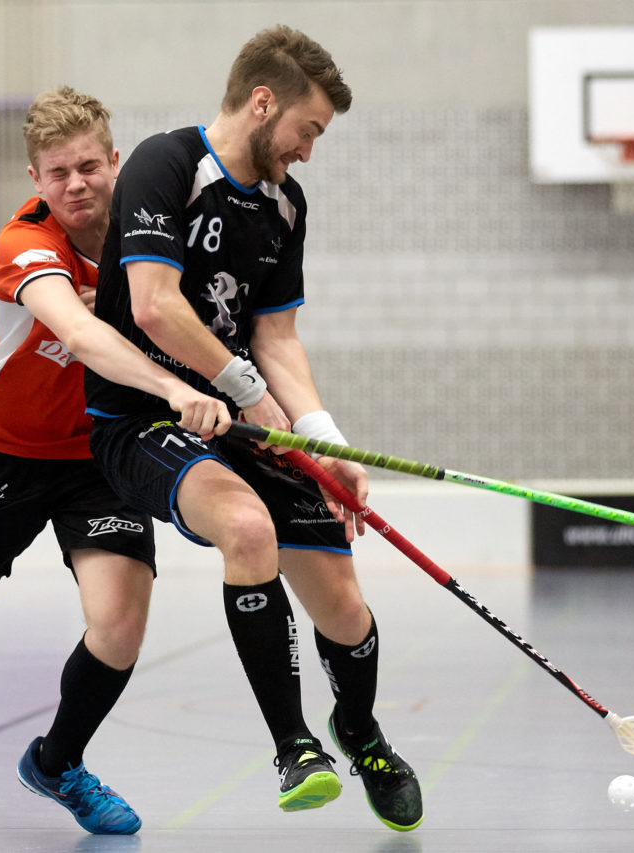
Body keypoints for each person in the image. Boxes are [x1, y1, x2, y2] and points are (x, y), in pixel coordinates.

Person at [83, 25, 423, 832]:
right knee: (246, 527)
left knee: (343, 607)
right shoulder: (166, 166)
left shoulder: (284, 205)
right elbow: (153, 304)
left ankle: (362, 731)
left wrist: (322, 437)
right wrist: (243, 390)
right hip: (142, 417)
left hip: (246, 420)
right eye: (308, 129)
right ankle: (295, 747)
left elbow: (276, 337)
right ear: (263, 103)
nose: (309, 149)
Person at [0, 87, 231, 836]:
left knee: (120, 622)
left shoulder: (152, 239)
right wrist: (176, 388)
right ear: (36, 181)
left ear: (115, 161)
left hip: (100, 453)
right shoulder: (26, 244)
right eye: (56, 172)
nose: (75, 183)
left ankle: (57, 760)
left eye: (88, 165)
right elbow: (78, 333)